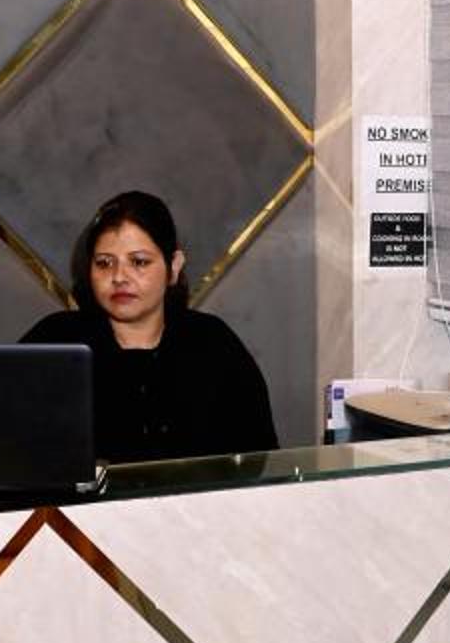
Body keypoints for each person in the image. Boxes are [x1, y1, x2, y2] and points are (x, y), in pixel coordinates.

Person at [22, 188, 279, 461]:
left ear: (174, 266)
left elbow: (259, 459)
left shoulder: (213, 344)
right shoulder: (54, 342)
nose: (119, 277)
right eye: (104, 263)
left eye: (139, 262)